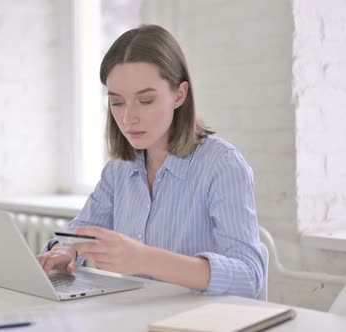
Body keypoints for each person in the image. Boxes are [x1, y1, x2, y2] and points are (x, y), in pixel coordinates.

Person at [37, 24, 265, 298]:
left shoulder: (222, 166)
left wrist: (146, 259)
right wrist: (64, 251)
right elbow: (79, 234)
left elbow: (249, 277)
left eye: (145, 100)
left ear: (179, 95)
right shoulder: (118, 171)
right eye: (117, 102)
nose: (128, 118)